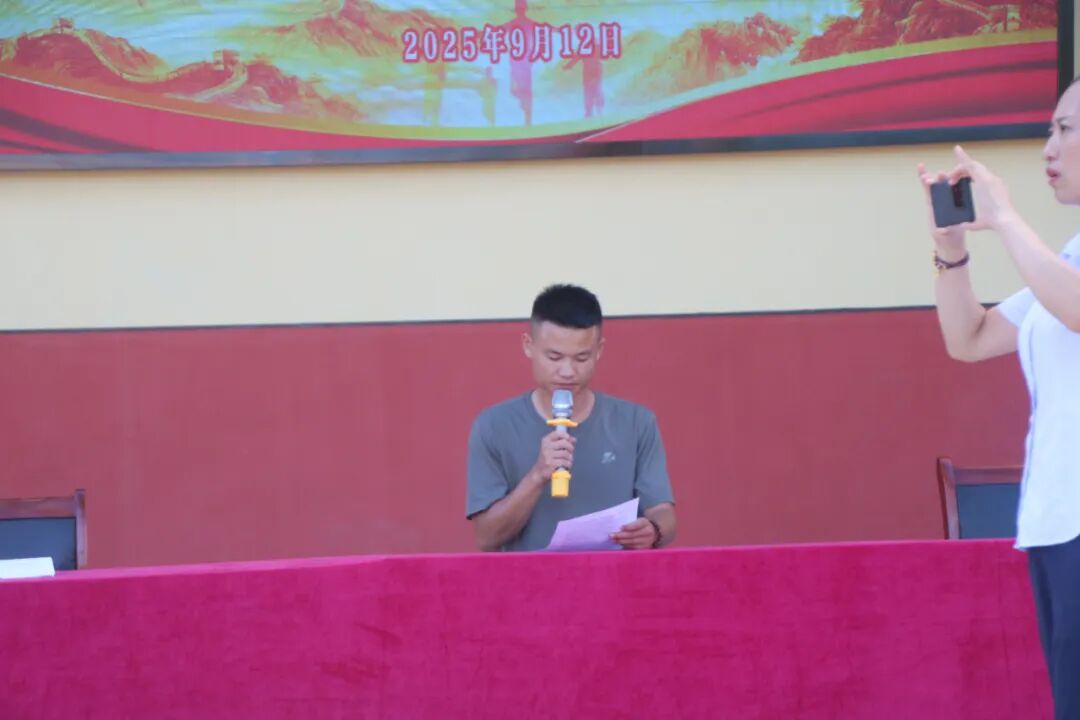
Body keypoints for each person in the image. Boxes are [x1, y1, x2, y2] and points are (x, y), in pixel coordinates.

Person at [917, 81, 1080, 720]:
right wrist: (950, 250)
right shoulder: (1067, 257)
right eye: (1049, 130)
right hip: (1056, 519)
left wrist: (1006, 217)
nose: (1048, 148)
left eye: (1066, 130)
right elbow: (971, 337)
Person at [465, 284, 677, 552]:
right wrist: (537, 475)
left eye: (581, 358)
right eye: (554, 357)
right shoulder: (493, 426)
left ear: (599, 350)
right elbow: (486, 537)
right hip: (529, 578)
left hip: (614, 576)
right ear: (528, 346)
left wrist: (654, 530)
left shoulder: (637, 423)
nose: (567, 372)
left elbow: (663, 513)